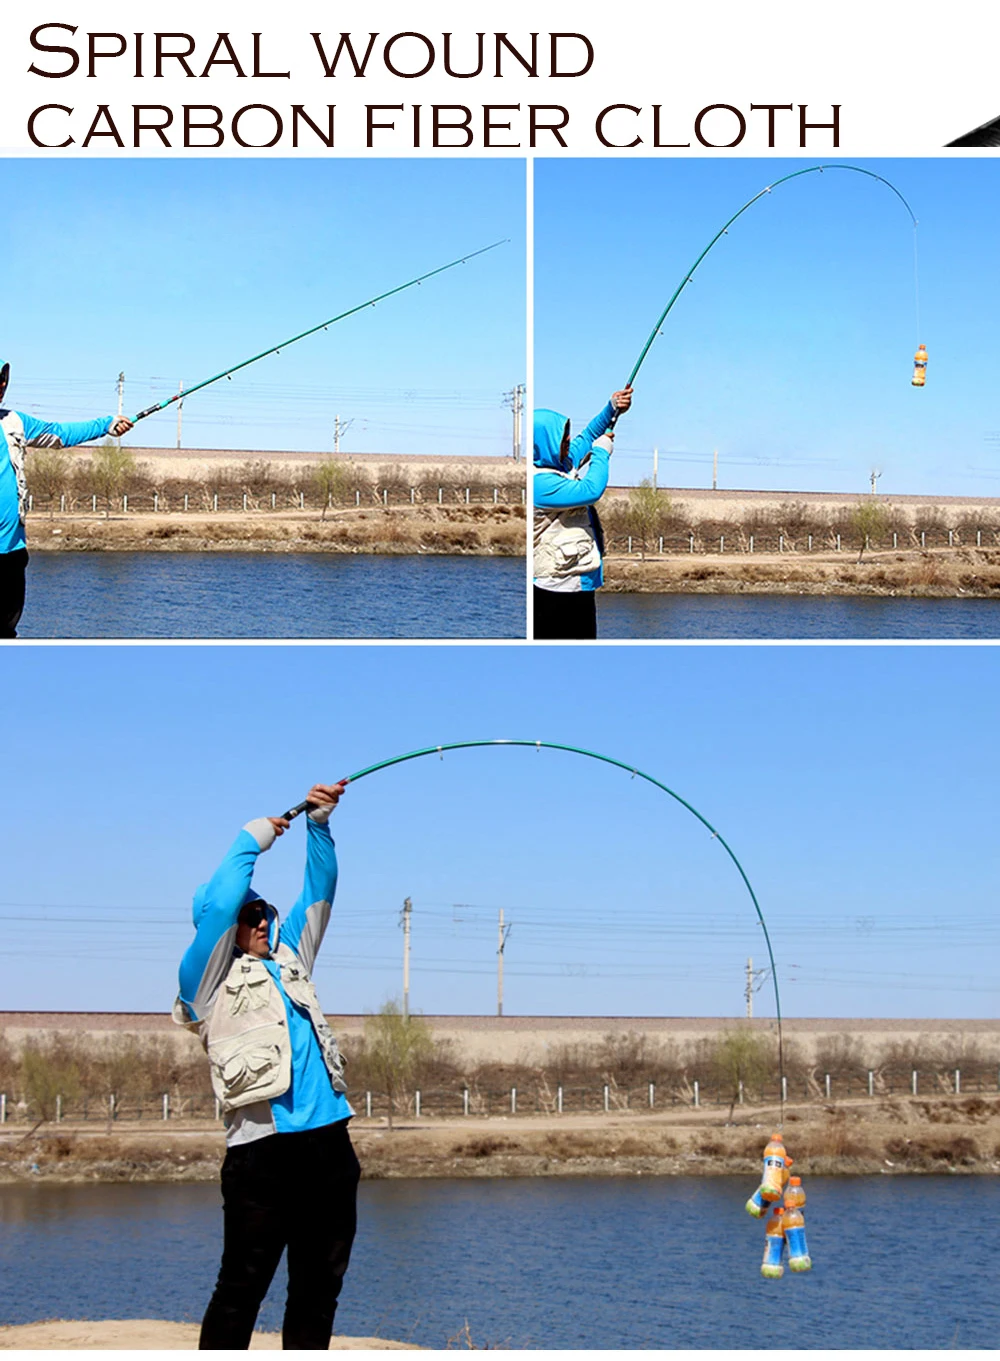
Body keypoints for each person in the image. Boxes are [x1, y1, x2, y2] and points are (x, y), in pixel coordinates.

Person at [174, 781, 359, 1351]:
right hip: (262, 1154)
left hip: (330, 1145)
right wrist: (254, 835)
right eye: (248, 913)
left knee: (318, 1287)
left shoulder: (291, 957)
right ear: (224, 922)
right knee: (241, 1289)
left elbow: (320, 890)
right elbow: (227, 894)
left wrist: (319, 826)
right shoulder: (203, 979)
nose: (259, 920)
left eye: (263, 911)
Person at [0, 360, 133, 637]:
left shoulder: (14, 423)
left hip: (11, 552)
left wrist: (106, 424)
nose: (1, 385)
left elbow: (59, 433)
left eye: (3, 379)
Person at [532, 387, 633, 640]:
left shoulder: (561, 464)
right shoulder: (539, 484)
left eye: (566, 439)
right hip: (556, 591)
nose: (568, 443)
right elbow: (591, 489)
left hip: (577, 584)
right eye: (562, 440)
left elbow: (588, 435)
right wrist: (601, 453)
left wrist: (612, 408)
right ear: (543, 443)